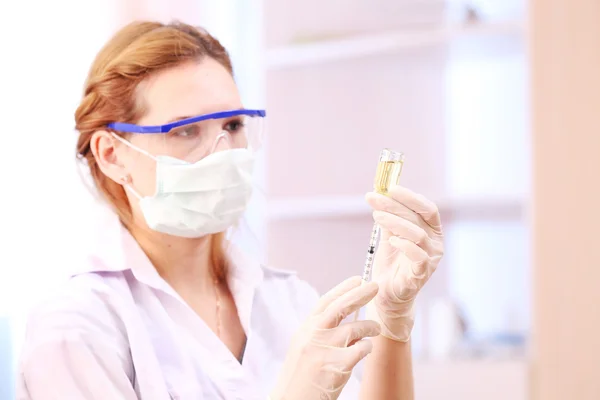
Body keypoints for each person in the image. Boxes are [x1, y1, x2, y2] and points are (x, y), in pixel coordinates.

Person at [16, 21, 444, 400]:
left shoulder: (287, 300)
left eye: (233, 126)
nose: (222, 153)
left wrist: (391, 320)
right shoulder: (76, 327)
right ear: (113, 154)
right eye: (185, 131)